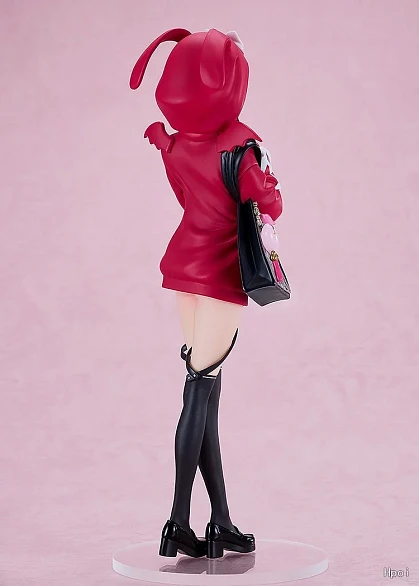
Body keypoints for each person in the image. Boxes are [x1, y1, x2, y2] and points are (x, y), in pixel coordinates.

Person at [129, 27, 282, 559]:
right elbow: (268, 204)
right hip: (218, 276)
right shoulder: (240, 146)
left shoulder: (176, 144)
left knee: (206, 390)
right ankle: (177, 520)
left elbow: (184, 195)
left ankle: (220, 521)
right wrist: (268, 183)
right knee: (199, 391)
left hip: (183, 270)